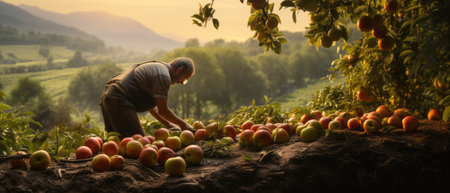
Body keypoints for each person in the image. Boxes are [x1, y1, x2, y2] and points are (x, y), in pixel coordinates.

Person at [100, 57, 195, 138]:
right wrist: (184, 125)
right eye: (184, 79)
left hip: (109, 97)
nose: (181, 82)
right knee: (138, 142)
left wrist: (169, 124)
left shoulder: (158, 68)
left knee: (115, 140)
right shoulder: (163, 75)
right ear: (179, 70)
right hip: (119, 99)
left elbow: (151, 106)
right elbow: (163, 110)